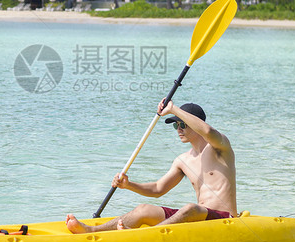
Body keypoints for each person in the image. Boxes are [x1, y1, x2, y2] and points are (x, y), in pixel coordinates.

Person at [66, 100, 237, 233]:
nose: (178, 129)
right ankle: (91, 229)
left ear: (195, 122)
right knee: (143, 209)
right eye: (176, 125)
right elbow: (157, 189)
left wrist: (173, 109)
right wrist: (128, 185)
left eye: (182, 124)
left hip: (224, 218)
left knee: (190, 208)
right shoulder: (182, 160)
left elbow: (207, 132)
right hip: (200, 216)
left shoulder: (220, 147)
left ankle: (147, 234)